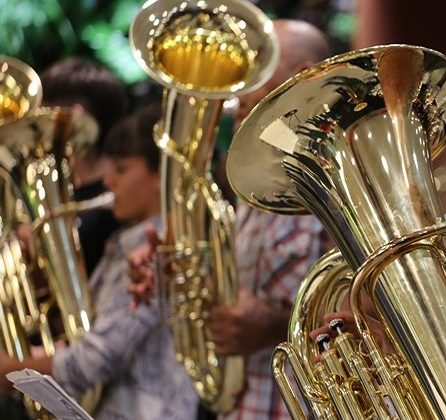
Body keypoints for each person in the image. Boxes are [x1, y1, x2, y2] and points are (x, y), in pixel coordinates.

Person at [128, 20, 333, 420]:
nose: (237, 94)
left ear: (304, 74)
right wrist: (178, 274)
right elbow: (236, 294)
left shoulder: (343, 179)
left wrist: (278, 326)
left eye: (258, 67)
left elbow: (387, 313)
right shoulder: (255, 189)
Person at [0, 105, 199, 420]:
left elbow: (97, 359)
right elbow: (90, 331)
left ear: (161, 175)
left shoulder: (160, 248)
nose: (108, 180)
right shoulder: (123, 242)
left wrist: (12, 370)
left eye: (121, 169)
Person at [40, 57, 128, 274]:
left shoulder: (121, 197)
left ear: (73, 117)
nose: (35, 128)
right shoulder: (65, 194)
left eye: (41, 114)